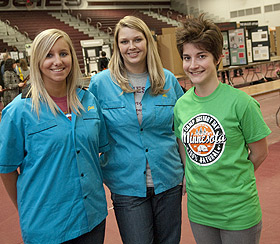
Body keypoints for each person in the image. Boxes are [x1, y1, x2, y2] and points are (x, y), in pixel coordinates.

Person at [0, 29, 109, 244]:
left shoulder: (88, 100)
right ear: (37, 60)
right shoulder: (19, 111)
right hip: (47, 226)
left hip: (92, 217)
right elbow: (7, 169)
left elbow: (100, 149)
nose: (57, 61)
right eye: (48, 55)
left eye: (63, 53)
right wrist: (28, 206)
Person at [174, 14, 271, 244]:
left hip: (238, 211)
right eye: (187, 57)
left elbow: (260, 152)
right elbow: (184, 147)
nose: (193, 65)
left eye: (201, 56)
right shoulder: (181, 106)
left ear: (218, 58)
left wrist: (235, 179)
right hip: (200, 211)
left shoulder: (242, 103)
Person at [89, 15, 185, 244]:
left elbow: (182, 131)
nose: (131, 47)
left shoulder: (168, 80)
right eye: (124, 41)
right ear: (117, 46)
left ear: (148, 42)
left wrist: (187, 174)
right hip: (126, 185)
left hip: (168, 180)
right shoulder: (100, 84)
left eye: (137, 39)